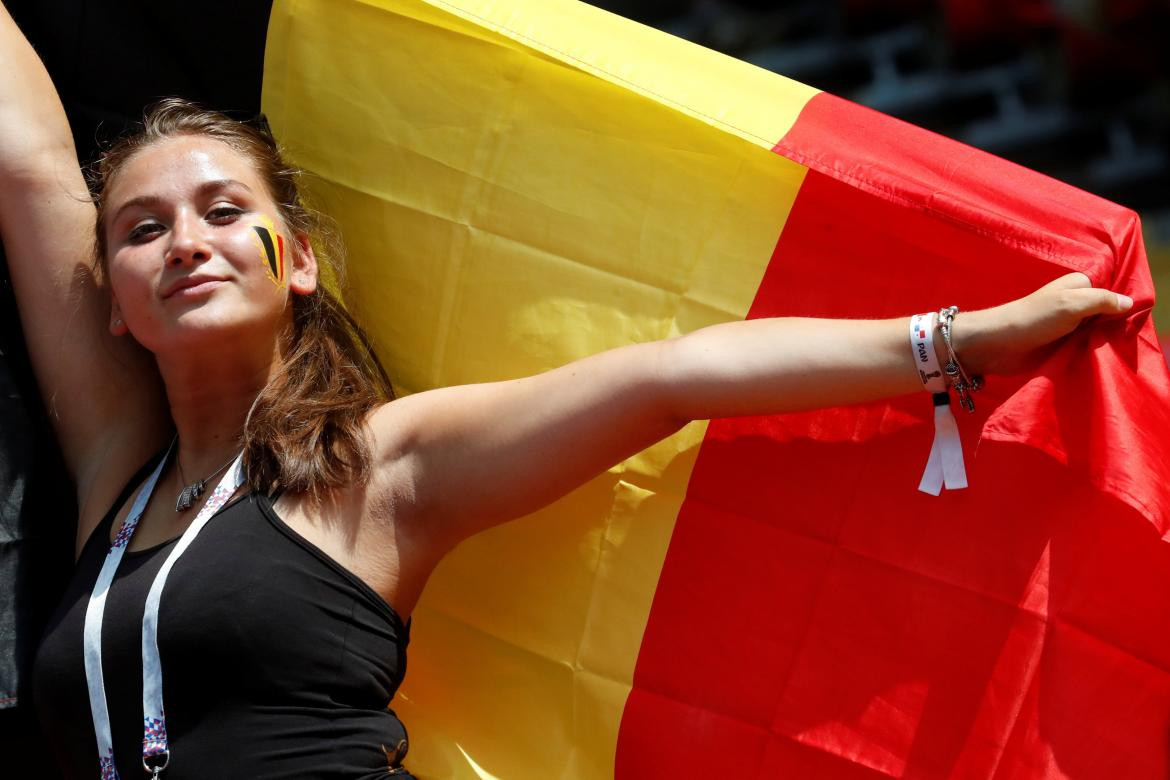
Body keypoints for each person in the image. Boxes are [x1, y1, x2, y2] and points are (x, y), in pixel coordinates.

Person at [0, 5, 1135, 779]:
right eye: (143, 231)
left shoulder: (379, 467)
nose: (186, 243)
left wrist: (958, 339)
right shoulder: (117, 476)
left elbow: (672, 378)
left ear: (296, 259)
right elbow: (31, 165)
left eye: (219, 212)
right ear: (113, 300)